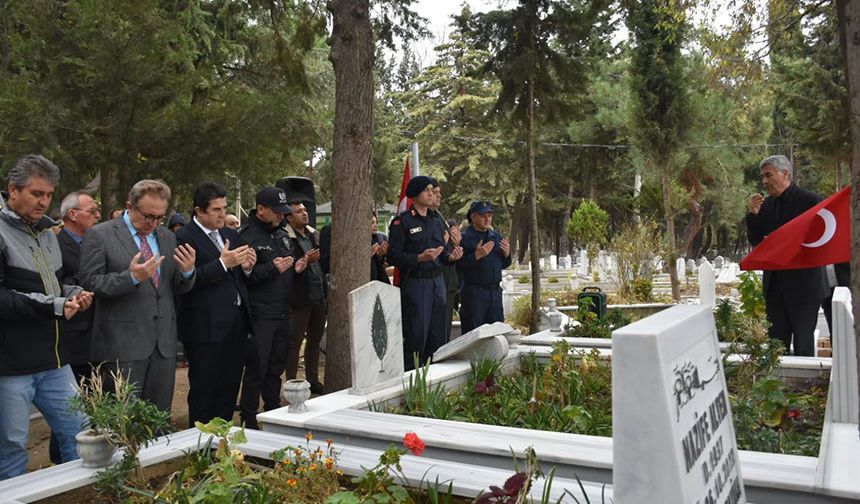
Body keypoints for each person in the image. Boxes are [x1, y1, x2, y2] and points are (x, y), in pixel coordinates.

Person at [0, 154, 93, 480]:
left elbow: (56, 283)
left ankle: (77, 494)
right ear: (13, 190)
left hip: (54, 360)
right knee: (10, 447)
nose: (44, 201)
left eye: (49, 194)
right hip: (10, 366)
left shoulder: (47, 234)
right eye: (36, 193)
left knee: (79, 433)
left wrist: (72, 295)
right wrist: (53, 306)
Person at [79, 179, 197, 412]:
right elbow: (89, 282)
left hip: (162, 345)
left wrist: (188, 272)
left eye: (159, 217)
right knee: (122, 422)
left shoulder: (167, 237)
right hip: (121, 346)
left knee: (158, 418)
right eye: (148, 216)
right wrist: (130, 277)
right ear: (129, 206)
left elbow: (172, 288)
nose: (153, 223)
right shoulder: (100, 235)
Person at [175, 182, 256, 426]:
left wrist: (247, 267)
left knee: (229, 387)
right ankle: (201, 446)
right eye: (216, 210)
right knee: (204, 389)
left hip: (236, 323)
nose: (222, 214)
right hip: (205, 327)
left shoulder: (230, 234)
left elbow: (237, 276)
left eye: (224, 208)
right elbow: (186, 281)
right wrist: (222, 264)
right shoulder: (183, 237)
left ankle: (224, 441)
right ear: (198, 212)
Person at [746, 155, 828, 356]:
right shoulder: (766, 206)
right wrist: (754, 215)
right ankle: (777, 385)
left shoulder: (810, 201)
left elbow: (819, 241)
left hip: (804, 286)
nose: (764, 182)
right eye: (762, 177)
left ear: (785, 173)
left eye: (768, 175)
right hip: (775, 287)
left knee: (803, 342)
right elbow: (756, 241)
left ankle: (804, 385)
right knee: (776, 343)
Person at [237, 187, 304, 428]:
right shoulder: (246, 236)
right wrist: (272, 269)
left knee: (276, 366)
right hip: (261, 313)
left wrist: (293, 269)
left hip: (283, 310)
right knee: (257, 367)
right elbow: (245, 278)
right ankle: (249, 414)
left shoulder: (281, 234)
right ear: (261, 209)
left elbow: (286, 267)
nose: (281, 217)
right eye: (277, 212)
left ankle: (272, 408)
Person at [387, 176, 463, 370]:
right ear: (414, 194)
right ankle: (413, 382)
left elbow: (441, 254)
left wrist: (451, 257)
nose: (431, 193)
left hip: (437, 282)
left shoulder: (436, 221)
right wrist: (418, 258)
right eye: (427, 190)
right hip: (416, 283)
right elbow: (393, 256)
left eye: (432, 190)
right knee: (416, 336)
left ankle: (433, 381)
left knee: (437, 336)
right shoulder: (402, 222)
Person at [57, 191, 101, 382]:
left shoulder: (100, 243)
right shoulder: (56, 245)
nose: (98, 215)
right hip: (76, 338)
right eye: (92, 211)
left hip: (104, 335)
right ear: (73, 214)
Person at [285, 201, 325, 394]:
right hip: (299, 297)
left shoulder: (312, 234)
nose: (304, 213)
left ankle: (313, 379)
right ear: (289, 217)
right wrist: (304, 261)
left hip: (318, 295)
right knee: (295, 342)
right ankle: (291, 382)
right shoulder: (286, 237)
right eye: (298, 211)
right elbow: (287, 267)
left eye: (305, 210)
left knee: (315, 340)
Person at [457, 201, 512, 334]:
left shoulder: (496, 237)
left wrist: (507, 254)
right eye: (483, 215)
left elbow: (502, 264)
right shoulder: (464, 239)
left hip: (494, 292)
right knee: (475, 333)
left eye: (489, 215)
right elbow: (458, 266)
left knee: (496, 332)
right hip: (475, 293)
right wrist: (476, 255)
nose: (487, 219)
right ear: (473, 217)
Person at [371, 213, 390, 283]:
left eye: (376, 222)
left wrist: (383, 255)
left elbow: (385, 264)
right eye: (372, 223)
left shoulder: (381, 238)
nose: (376, 225)